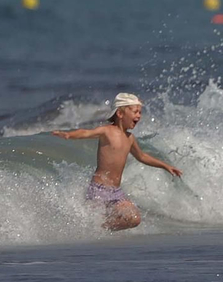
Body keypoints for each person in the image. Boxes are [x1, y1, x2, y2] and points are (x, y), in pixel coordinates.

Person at [52, 93, 182, 231]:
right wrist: (68, 135)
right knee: (90, 222)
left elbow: (142, 156)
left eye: (140, 112)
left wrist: (165, 166)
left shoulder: (130, 138)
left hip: (116, 192)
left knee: (134, 219)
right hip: (99, 189)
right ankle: (94, 231)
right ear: (120, 113)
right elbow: (86, 133)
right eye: (135, 112)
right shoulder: (107, 131)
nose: (139, 116)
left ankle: (102, 229)